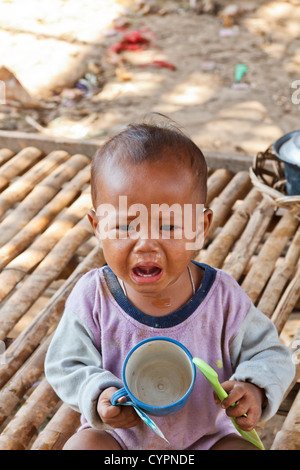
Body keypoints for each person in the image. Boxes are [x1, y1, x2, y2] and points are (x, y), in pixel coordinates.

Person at [45, 120, 295, 450]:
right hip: (120, 442)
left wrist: (254, 389)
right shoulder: (94, 296)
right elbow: (66, 364)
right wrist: (100, 394)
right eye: (123, 226)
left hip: (208, 440)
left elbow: (271, 355)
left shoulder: (222, 298)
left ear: (200, 227)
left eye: (169, 227)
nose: (146, 243)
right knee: (84, 447)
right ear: (97, 226)